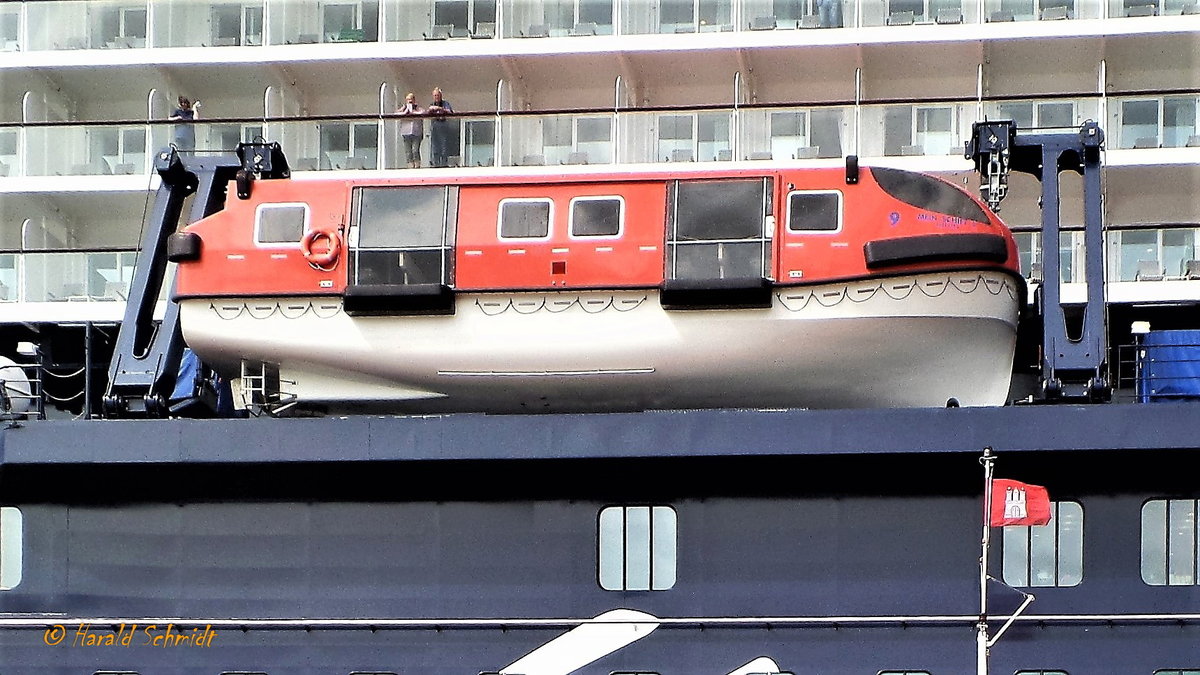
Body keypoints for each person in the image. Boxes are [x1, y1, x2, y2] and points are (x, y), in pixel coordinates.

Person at [427, 87, 456, 168]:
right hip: (435, 125)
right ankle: (436, 164)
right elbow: (428, 113)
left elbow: (450, 112)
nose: (436, 97)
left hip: (443, 125)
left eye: (438, 95)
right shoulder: (432, 104)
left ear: (441, 96)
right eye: (435, 95)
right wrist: (431, 109)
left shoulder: (445, 103)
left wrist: (440, 108)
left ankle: (444, 164)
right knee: (435, 146)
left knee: (444, 145)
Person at [397, 92, 424, 168]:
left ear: (414, 100)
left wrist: (413, 111)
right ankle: (410, 166)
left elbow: (422, 113)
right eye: (408, 100)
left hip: (416, 133)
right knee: (408, 151)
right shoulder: (403, 109)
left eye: (411, 100)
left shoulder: (419, 109)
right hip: (406, 133)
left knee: (415, 150)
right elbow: (395, 114)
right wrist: (405, 111)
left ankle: (417, 165)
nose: (409, 101)